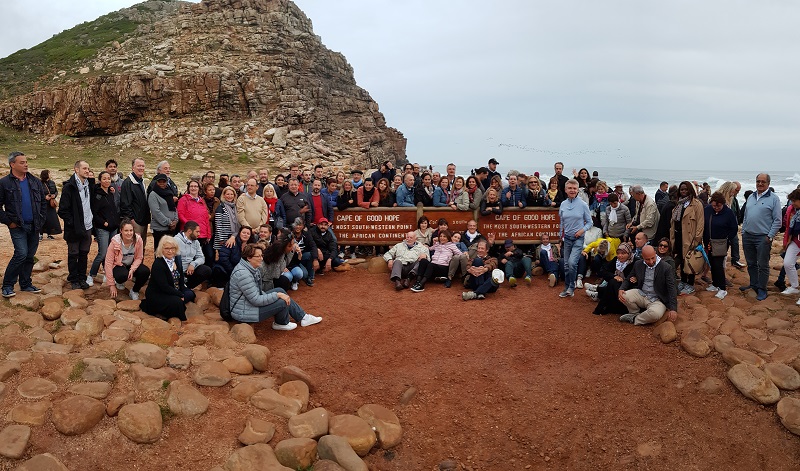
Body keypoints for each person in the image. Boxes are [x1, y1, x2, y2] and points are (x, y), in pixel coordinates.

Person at [229, 243, 321, 330]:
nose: (261, 259)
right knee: (282, 300)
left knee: (280, 290)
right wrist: (277, 296)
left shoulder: (251, 267)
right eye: (258, 256)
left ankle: (303, 317)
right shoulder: (243, 274)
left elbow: (258, 293)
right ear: (249, 258)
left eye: (262, 255)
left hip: (248, 305)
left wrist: (277, 294)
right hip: (243, 312)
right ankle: (281, 323)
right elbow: (256, 300)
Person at [0, 152, 47, 297]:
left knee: (29, 256)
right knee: (21, 254)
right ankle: (7, 285)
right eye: (22, 162)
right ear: (12, 164)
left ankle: (26, 284)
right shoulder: (4, 183)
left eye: (26, 162)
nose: (26, 164)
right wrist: (9, 222)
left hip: (35, 225)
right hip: (18, 226)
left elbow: (43, 203)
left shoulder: (35, 181)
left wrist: (41, 219)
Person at [618, 245, 678, 325]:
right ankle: (634, 313)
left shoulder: (666, 267)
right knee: (623, 296)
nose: (651, 261)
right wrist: (621, 288)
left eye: (653, 258)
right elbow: (629, 278)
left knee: (655, 314)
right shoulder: (638, 264)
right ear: (642, 257)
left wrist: (673, 309)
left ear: (655, 253)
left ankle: (635, 319)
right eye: (647, 259)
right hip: (642, 294)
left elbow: (672, 288)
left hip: (658, 299)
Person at [58, 160, 95, 290]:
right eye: (84, 168)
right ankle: (73, 279)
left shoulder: (89, 184)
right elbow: (62, 210)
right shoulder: (69, 187)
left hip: (88, 226)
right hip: (74, 228)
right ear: (76, 170)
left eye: (88, 168)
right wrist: (73, 223)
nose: (87, 171)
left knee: (84, 253)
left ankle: (81, 278)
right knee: (73, 254)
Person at [139, 236, 195, 321]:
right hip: (159, 293)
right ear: (162, 249)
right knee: (177, 302)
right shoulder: (158, 264)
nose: (170, 251)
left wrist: (182, 291)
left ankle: (178, 301)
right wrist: (180, 295)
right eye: (167, 248)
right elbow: (164, 286)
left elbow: (181, 279)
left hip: (174, 289)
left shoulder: (176, 259)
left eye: (172, 248)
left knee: (191, 294)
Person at [558, 179, 593, 298]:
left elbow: (589, 222)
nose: (572, 190)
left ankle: (571, 286)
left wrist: (581, 231)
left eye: (574, 188)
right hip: (566, 239)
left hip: (578, 238)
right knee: (566, 265)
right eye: (570, 188)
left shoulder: (583, 204)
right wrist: (560, 237)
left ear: (578, 190)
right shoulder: (563, 204)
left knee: (572, 263)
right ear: (566, 190)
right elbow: (561, 222)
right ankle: (567, 288)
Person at [670, 181, 705, 295]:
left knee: (690, 260)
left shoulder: (697, 204)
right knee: (681, 257)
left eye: (686, 189)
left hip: (690, 237)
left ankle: (690, 284)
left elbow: (700, 223)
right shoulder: (678, 204)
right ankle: (683, 281)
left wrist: (697, 239)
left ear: (690, 190)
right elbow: (674, 222)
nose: (683, 191)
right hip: (678, 236)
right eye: (682, 189)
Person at [703, 192, 738, 300]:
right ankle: (715, 284)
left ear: (722, 204)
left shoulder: (728, 212)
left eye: (718, 206)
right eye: (714, 206)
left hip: (721, 243)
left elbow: (734, 228)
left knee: (718, 264)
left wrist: (727, 239)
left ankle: (722, 288)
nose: (716, 208)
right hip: (708, 242)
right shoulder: (708, 209)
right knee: (711, 263)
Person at [104, 218, 150, 300]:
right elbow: (108, 263)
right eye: (126, 230)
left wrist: (132, 269)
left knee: (145, 271)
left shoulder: (138, 240)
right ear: (121, 231)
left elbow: (139, 258)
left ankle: (134, 290)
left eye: (131, 230)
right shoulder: (115, 242)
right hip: (119, 265)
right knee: (122, 276)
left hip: (131, 264)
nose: (129, 233)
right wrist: (111, 285)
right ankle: (119, 281)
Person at [88, 171, 119, 286]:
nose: (107, 181)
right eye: (104, 179)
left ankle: (108, 274)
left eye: (108, 179)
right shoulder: (97, 194)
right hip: (103, 228)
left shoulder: (110, 192)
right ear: (100, 180)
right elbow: (94, 213)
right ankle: (91, 275)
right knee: (102, 253)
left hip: (114, 227)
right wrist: (103, 223)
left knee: (111, 253)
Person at [587, 242, 634, 314]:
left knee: (612, 283)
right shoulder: (616, 260)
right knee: (613, 281)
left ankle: (598, 293)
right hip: (617, 288)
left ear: (629, 253)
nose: (620, 256)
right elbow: (603, 271)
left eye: (623, 253)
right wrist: (614, 276)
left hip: (629, 289)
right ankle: (599, 295)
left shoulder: (635, 261)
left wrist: (634, 279)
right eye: (618, 253)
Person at [120, 158, 150, 250]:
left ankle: (140, 264)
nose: (141, 168)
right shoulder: (128, 183)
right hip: (135, 222)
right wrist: (132, 220)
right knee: (134, 247)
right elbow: (125, 203)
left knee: (142, 246)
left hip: (143, 221)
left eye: (143, 166)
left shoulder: (142, 182)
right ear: (133, 167)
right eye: (139, 166)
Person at [175, 221, 213, 289]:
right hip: (178, 271)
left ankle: (187, 287)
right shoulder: (175, 241)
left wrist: (193, 264)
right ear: (189, 231)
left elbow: (201, 258)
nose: (199, 234)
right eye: (197, 232)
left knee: (206, 270)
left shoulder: (196, 242)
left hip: (190, 270)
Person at [177, 180, 212, 255]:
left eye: (195, 186)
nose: (193, 188)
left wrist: (208, 234)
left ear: (199, 188)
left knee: (206, 255)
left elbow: (206, 218)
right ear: (188, 188)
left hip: (202, 233)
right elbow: (180, 214)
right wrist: (190, 226)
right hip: (190, 233)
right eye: (191, 186)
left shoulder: (201, 201)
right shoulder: (183, 200)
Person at [147, 173, 179, 253]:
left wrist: (175, 220)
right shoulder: (153, 194)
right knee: (160, 252)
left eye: (163, 181)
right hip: (160, 229)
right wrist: (169, 222)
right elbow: (156, 212)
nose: (162, 183)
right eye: (159, 182)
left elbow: (174, 208)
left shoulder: (169, 193)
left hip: (171, 228)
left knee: (170, 251)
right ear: (156, 182)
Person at [287, 217, 318, 288]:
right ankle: (295, 279)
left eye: (300, 225)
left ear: (303, 226)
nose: (298, 227)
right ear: (293, 225)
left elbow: (313, 246)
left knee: (310, 255)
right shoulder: (289, 235)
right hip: (291, 259)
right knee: (303, 274)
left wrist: (315, 259)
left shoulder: (306, 234)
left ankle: (310, 277)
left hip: (302, 256)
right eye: (296, 224)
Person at [214, 187, 241, 252]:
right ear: (224, 195)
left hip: (233, 237)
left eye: (231, 194)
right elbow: (218, 225)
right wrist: (221, 239)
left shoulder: (236, 207)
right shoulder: (220, 208)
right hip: (222, 240)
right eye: (228, 194)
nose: (230, 196)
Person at [39, 170, 61, 240]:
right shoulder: (39, 183)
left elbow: (56, 191)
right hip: (42, 205)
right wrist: (44, 197)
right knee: (42, 219)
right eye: (49, 173)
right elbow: (37, 193)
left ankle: (49, 234)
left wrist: (54, 195)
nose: (50, 175)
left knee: (51, 220)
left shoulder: (52, 182)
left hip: (51, 205)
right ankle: (40, 234)